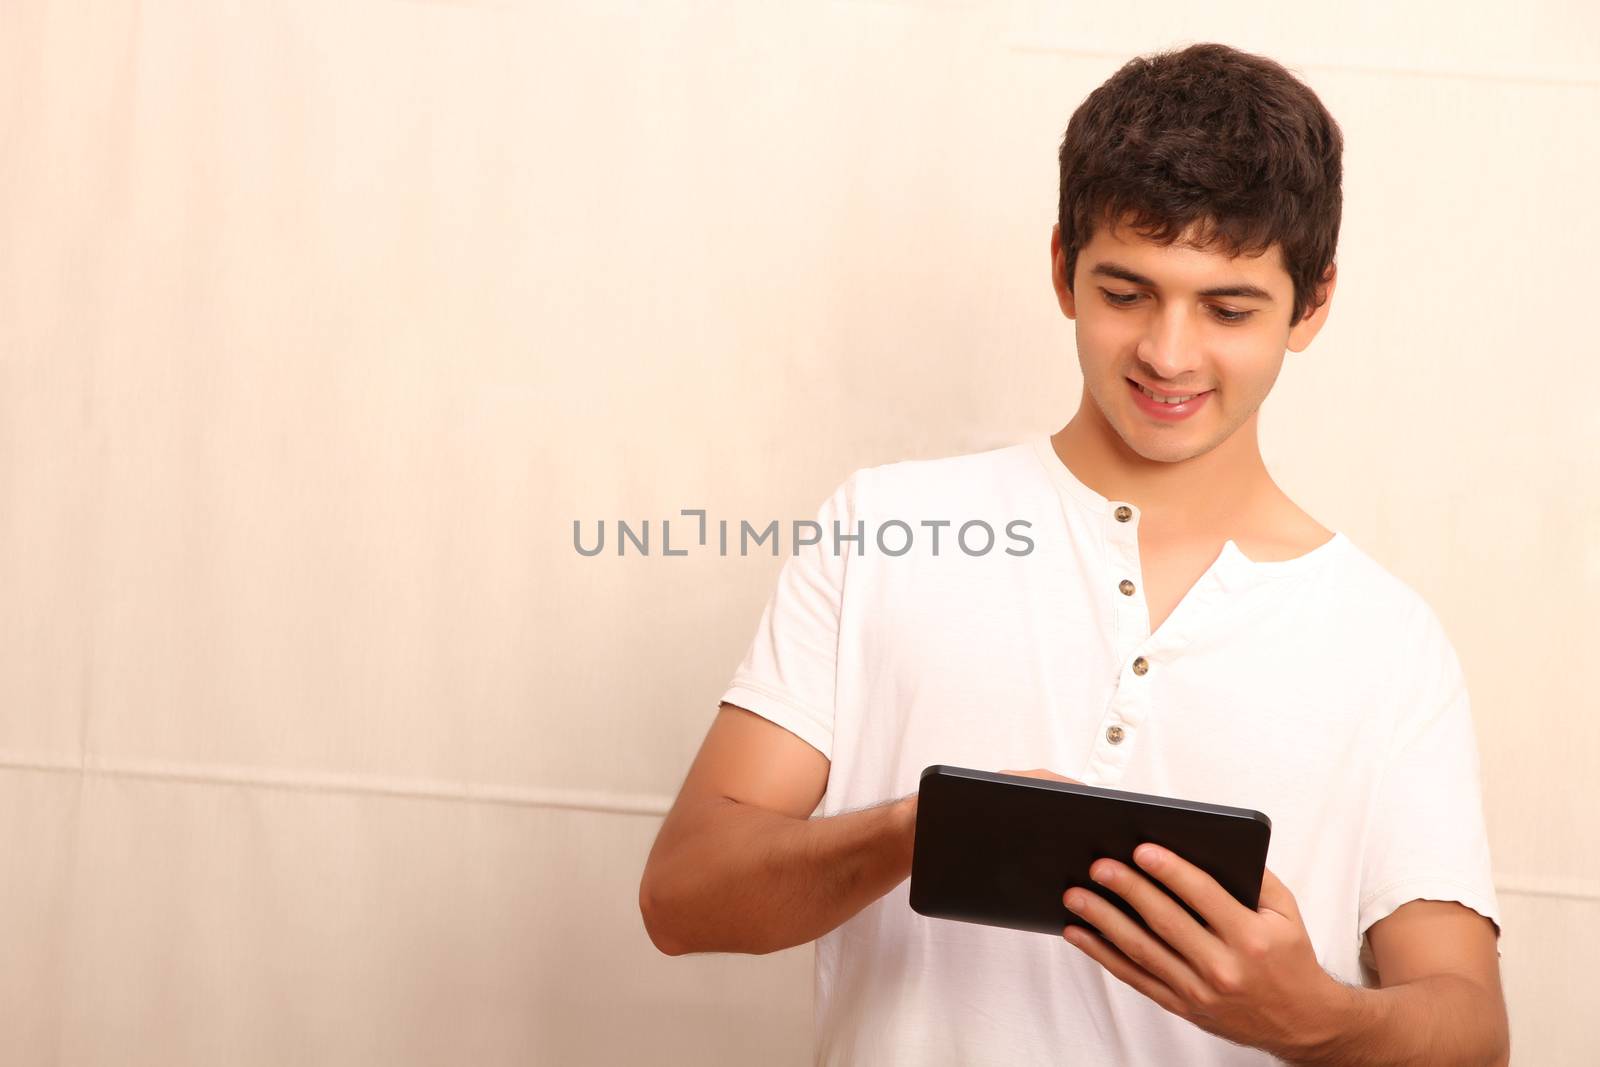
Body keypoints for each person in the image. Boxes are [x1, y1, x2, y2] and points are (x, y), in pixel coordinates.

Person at [639, 41, 1509, 1067]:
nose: (1169, 353)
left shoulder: (1386, 639)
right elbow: (684, 895)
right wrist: (922, 828)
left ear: (1311, 303)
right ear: (1061, 268)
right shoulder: (885, 527)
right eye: (1126, 291)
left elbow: (1471, 1025)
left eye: (1228, 307)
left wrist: (1312, 1011)